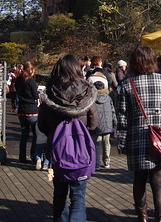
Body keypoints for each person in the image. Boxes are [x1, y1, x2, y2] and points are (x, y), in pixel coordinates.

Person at [117, 45, 161, 222]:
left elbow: (122, 116)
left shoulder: (128, 84)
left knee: (139, 181)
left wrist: (122, 142)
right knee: (158, 182)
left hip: (137, 136)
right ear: (153, 61)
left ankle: (142, 217)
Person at [38, 54, 99, 222]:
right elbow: (94, 122)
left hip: (57, 149)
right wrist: (81, 131)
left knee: (59, 195)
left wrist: (54, 132)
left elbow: (41, 124)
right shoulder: (86, 91)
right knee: (78, 196)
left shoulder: (50, 91)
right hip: (80, 150)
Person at [15, 61, 40, 166]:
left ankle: (22, 156)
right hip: (32, 110)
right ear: (31, 70)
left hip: (21, 110)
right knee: (35, 135)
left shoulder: (18, 81)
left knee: (24, 134)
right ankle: (34, 156)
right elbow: (35, 96)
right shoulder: (31, 81)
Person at [92, 80, 117, 170]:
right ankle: (107, 161)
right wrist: (114, 121)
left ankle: (97, 164)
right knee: (107, 143)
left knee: (97, 144)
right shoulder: (108, 98)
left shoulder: (93, 98)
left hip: (97, 124)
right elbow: (113, 110)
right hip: (108, 123)